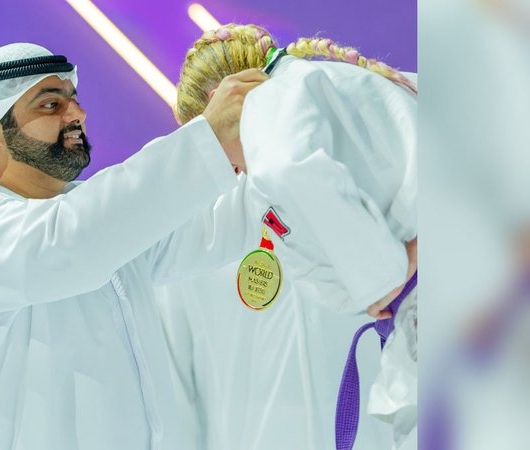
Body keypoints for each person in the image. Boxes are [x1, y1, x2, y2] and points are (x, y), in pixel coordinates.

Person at [0, 43, 267, 449]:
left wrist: (270, 126)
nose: (76, 114)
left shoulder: (102, 224)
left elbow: (214, 225)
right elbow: (69, 241)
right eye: (51, 104)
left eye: (73, 99)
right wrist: (207, 137)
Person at [172, 24, 418, 450]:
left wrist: (384, 279)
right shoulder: (336, 84)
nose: (229, 170)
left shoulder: (264, 105)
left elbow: (287, 169)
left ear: (221, 101)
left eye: (207, 141)